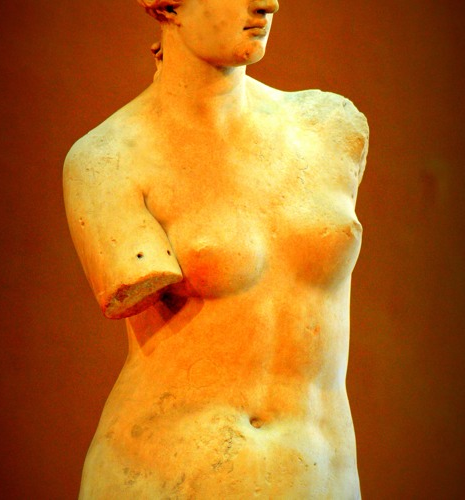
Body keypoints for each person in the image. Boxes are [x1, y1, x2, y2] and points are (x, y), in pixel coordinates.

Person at [63, 0, 369, 497]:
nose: (267, 4)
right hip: (171, 475)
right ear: (167, 5)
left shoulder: (331, 129)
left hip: (318, 473)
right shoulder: (108, 159)